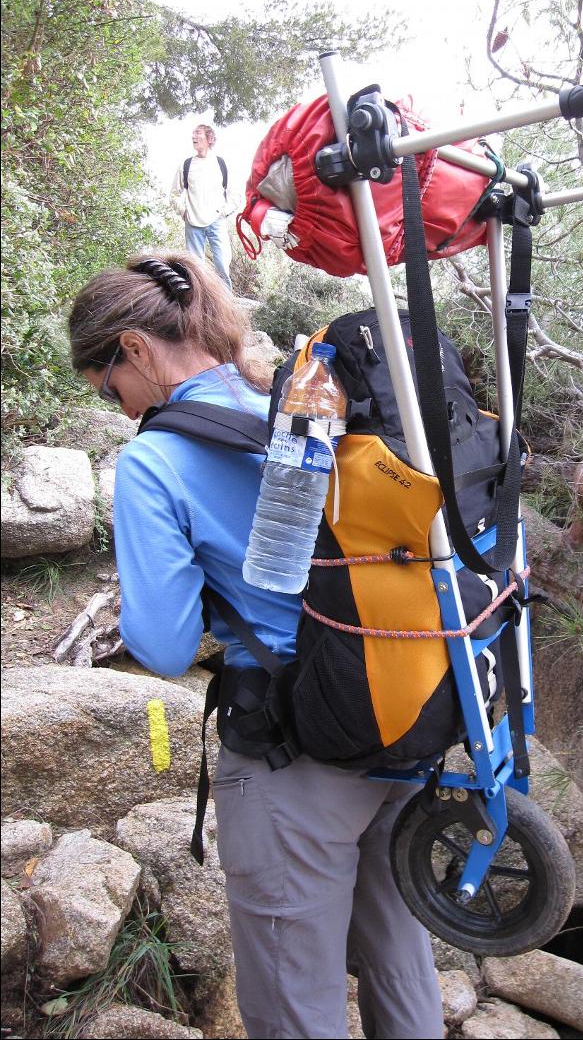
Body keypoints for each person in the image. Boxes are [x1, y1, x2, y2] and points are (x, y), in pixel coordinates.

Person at [68, 252, 444, 1040]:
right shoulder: (295, 403)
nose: (116, 405)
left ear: (135, 348)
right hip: (394, 706)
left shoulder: (153, 459)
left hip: (292, 757)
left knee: (292, 1003)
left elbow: (166, 648)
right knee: (401, 967)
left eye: (108, 386)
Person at [171, 125, 237, 291]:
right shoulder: (186, 165)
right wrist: (182, 210)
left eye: (198, 133)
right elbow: (173, 194)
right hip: (193, 224)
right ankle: (198, 304)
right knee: (195, 269)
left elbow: (235, 195)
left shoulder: (221, 163)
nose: (193, 136)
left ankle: (227, 303)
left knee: (222, 265)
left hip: (216, 222)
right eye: (193, 133)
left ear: (209, 139)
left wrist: (224, 211)